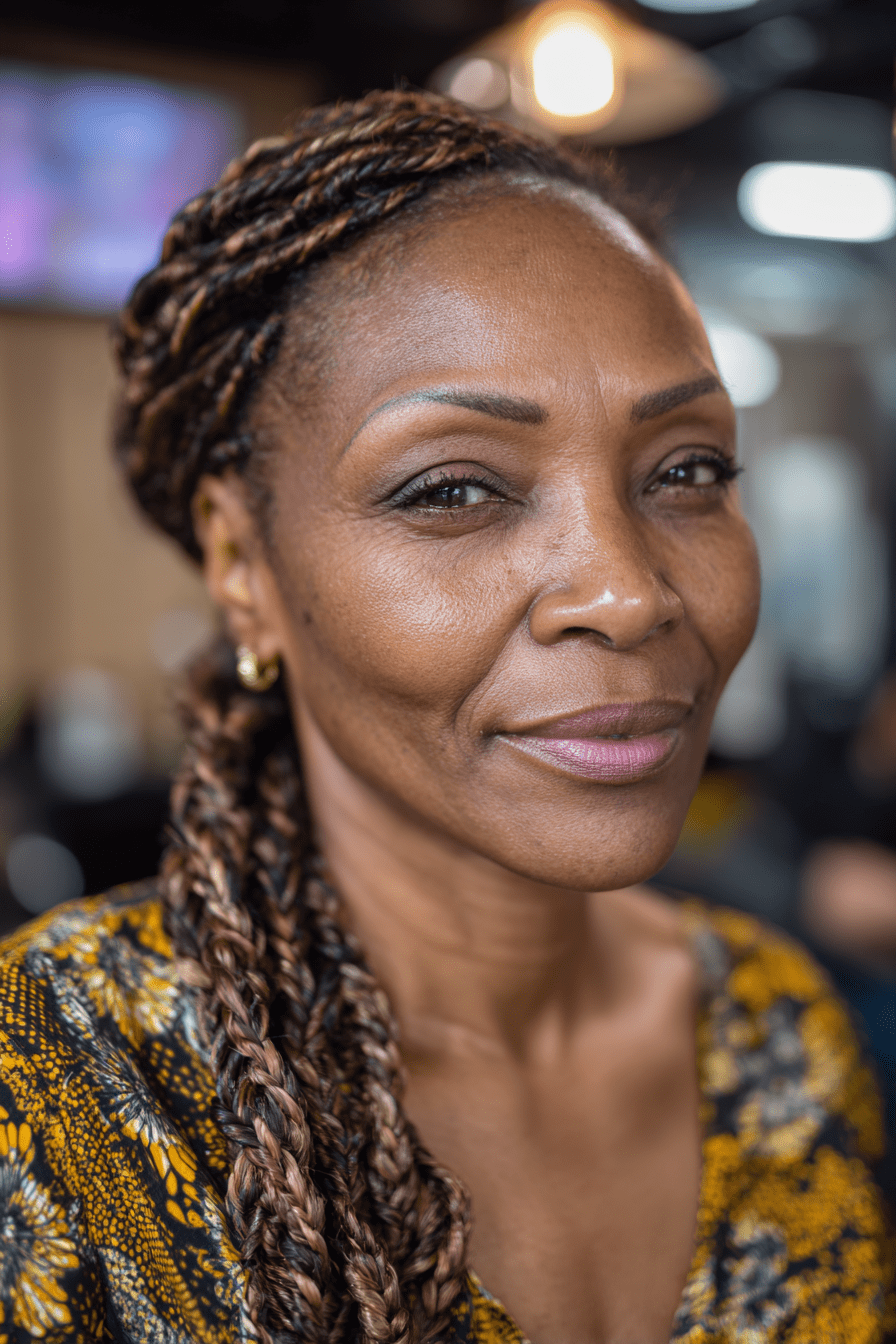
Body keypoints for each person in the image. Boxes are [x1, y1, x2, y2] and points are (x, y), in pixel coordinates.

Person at [0, 90, 891, 1344]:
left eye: (685, 470)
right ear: (242, 565)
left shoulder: (777, 1027)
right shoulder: (56, 1075)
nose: (628, 592)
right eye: (453, 488)